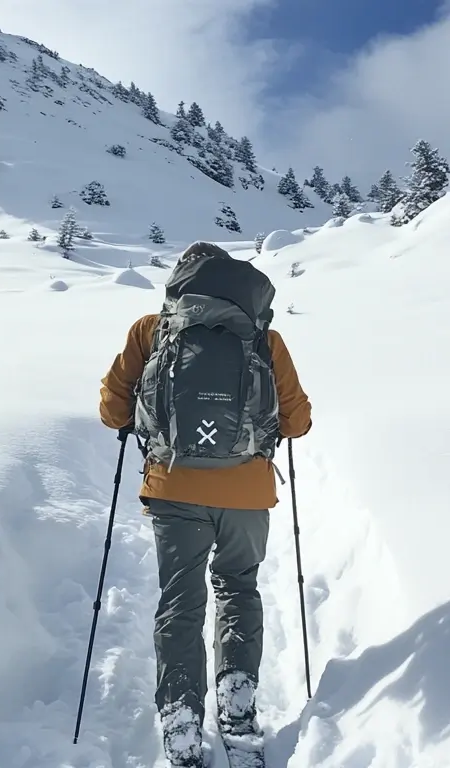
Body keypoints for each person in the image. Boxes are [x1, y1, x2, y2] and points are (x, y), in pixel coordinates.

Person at [98, 241, 311, 767]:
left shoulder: (152, 330)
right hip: (247, 493)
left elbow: (110, 408)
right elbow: (297, 421)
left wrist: (140, 422)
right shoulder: (265, 337)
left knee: (181, 601)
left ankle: (181, 719)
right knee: (238, 589)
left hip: (174, 488)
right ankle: (237, 709)